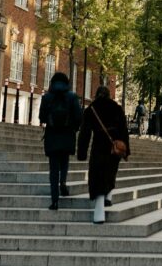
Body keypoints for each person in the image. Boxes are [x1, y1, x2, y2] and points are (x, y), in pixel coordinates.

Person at [77, 85, 129, 224]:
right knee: (110, 172)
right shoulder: (116, 108)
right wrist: (126, 151)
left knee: (97, 175)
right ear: (108, 95)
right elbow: (124, 131)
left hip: (99, 146)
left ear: (96, 95)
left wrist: (81, 152)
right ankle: (109, 196)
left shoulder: (91, 109)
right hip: (115, 146)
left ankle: (99, 211)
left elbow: (84, 133)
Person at [39, 71, 82, 210]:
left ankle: (54, 200)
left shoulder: (47, 97)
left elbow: (42, 117)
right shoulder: (72, 97)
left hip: (52, 136)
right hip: (67, 135)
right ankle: (63, 182)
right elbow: (78, 117)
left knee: (53, 168)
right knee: (64, 161)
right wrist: (74, 129)